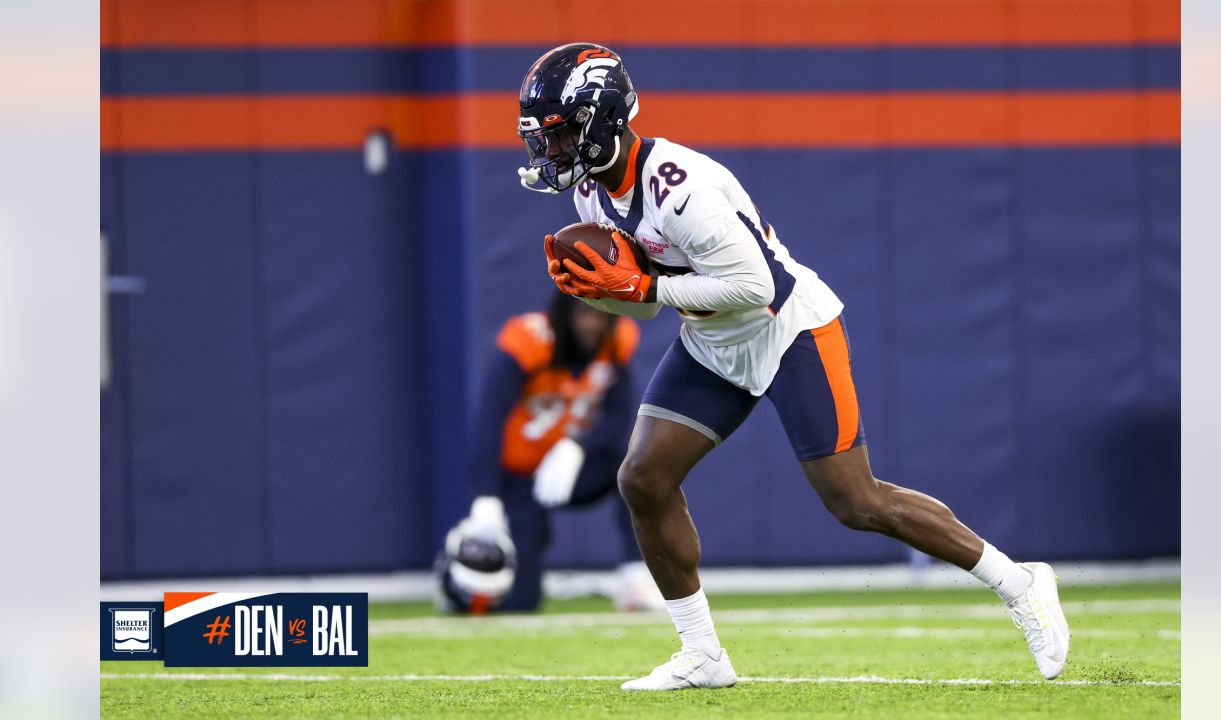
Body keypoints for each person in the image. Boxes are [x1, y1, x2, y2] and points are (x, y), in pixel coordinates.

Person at [516, 43, 1071, 690]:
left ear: (605, 117)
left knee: (856, 501)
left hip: (788, 329)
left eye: (561, 132)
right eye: (542, 136)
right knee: (643, 478)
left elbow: (756, 286)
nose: (550, 150)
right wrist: (604, 291)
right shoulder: (590, 193)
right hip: (713, 339)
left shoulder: (680, 187)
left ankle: (1021, 583)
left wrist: (640, 291)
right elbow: (647, 305)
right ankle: (703, 654)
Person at [449, 291, 662, 613]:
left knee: (637, 464)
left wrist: (576, 446)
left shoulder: (616, 341)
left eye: (600, 314)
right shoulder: (528, 341)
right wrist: (486, 495)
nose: (592, 323)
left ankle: (636, 576)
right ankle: (455, 588)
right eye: (583, 314)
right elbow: (490, 419)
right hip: (520, 474)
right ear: (563, 314)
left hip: (571, 468)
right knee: (521, 600)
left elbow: (621, 416)